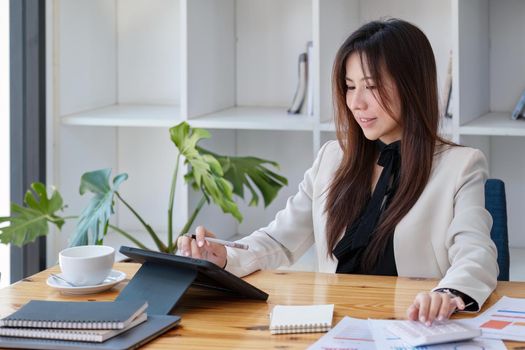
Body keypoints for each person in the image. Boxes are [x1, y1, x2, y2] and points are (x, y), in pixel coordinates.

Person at [177, 18, 498, 326]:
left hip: (414, 327)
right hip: (336, 326)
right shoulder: (332, 158)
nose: (356, 102)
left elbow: (476, 256)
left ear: (411, 85)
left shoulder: (460, 166)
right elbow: (279, 240)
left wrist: (446, 294)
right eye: (349, 86)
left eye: (370, 87)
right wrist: (223, 256)